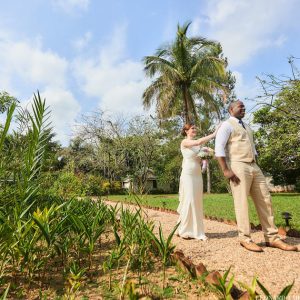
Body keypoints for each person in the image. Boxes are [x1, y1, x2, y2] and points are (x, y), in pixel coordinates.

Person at [215, 100, 297, 252]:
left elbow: (252, 147)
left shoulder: (247, 127)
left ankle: (272, 237)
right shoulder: (226, 125)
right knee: (242, 202)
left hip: (253, 165)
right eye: (240, 106)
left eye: (244, 106)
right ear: (231, 109)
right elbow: (218, 147)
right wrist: (226, 170)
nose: (243, 108)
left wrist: (256, 162)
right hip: (238, 165)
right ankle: (245, 238)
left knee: (265, 200)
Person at [177, 123, 217, 240]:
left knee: (197, 201)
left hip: (197, 174)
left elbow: (200, 158)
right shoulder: (184, 142)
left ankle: (197, 230)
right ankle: (185, 230)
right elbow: (198, 142)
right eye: (192, 128)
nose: (194, 130)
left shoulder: (198, 147)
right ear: (186, 131)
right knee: (190, 200)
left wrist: (207, 156)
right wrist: (213, 134)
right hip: (188, 174)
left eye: (195, 128)